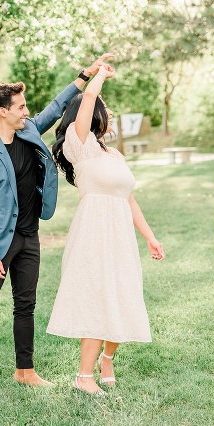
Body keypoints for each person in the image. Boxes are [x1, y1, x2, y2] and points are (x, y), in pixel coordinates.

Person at [0, 53, 114, 393]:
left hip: (30, 235)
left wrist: (86, 74)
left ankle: (25, 370)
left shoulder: (28, 132)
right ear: (4, 112)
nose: (27, 111)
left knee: (26, 305)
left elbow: (56, 107)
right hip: (1, 242)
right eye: (21, 106)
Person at [46, 64, 164, 396]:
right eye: (106, 110)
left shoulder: (112, 153)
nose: (109, 114)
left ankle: (107, 359)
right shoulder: (77, 143)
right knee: (97, 297)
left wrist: (150, 237)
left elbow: (128, 199)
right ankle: (83, 377)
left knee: (123, 294)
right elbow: (89, 98)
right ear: (92, 114)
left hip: (120, 233)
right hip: (93, 231)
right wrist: (98, 75)